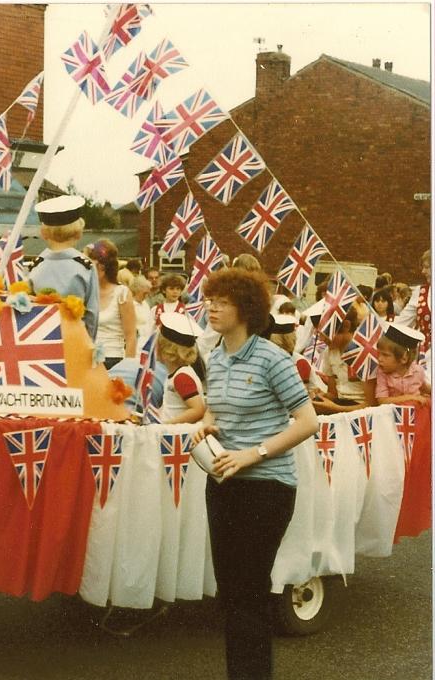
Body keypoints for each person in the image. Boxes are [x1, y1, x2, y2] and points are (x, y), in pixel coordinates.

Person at [191, 267, 317, 680]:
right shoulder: (216, 356)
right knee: (230, 594)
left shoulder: (272, 359)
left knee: (249, 591)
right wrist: (207, 425)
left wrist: (253, 454)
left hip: (267, 487)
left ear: (244, 309)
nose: (211, 307)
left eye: (221, 302)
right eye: (210, 299)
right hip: (223, 483)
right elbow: (215, 409)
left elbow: (306, 421)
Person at [28, 195, 100, 340]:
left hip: (40, 343)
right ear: (78, 231)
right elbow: (92, 313)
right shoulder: (85, 266)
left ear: (44, 232)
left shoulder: (35, 266)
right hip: (75, 341)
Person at [87, 239, 137, 369]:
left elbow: (131, 337)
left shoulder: (122, 293)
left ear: (102, 267)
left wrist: (128, 370)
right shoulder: (84, 292)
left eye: (89, 266)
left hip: (113, 361)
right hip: (85, 360)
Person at [312, 307, 368, 414]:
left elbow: (372, 404)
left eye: (325, 334)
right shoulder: (329, 352)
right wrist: (323, 396)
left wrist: (335, 408)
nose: (321, 340)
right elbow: (333, 393)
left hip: (360, 410)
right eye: (319, 335)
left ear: (346, 326)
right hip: (340, 403)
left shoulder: (363, 353)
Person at [156, 312, 206, 424]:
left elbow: (198, 410)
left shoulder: (181, 377)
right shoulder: (176, 374)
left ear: (167, 349)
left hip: (178, 434)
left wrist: (167, 424)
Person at [376, 324, 430, 405]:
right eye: (379, 354)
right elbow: (382, 401)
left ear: (404, 358)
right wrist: (411, 397)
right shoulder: (382, 373)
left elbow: (424, 388)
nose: (379, 359)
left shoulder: (418, 371)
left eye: (385, 355)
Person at [394, 249, 431, 359]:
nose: (423, 271)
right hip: (425, 358)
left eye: (427, 267)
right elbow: (400, 324)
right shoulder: (420, 292)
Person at [129, 275, 155, 346]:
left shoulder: (145, 304)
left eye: (147, 293)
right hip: (135, 343)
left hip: (147, 341)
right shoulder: (129, 305)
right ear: (137, 290)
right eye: (145, 293)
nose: (147, 295)